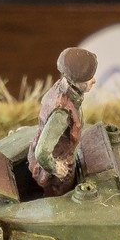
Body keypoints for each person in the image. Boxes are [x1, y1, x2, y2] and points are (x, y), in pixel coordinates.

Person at [29, 46, 100, 196]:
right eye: (88, 78)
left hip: (63, 154)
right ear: (76, 81)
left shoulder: (64, 87)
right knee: (59, 196)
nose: (93, 81)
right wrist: (56, 168)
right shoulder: (62, 113)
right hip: (58, 169)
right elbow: (42, 152)